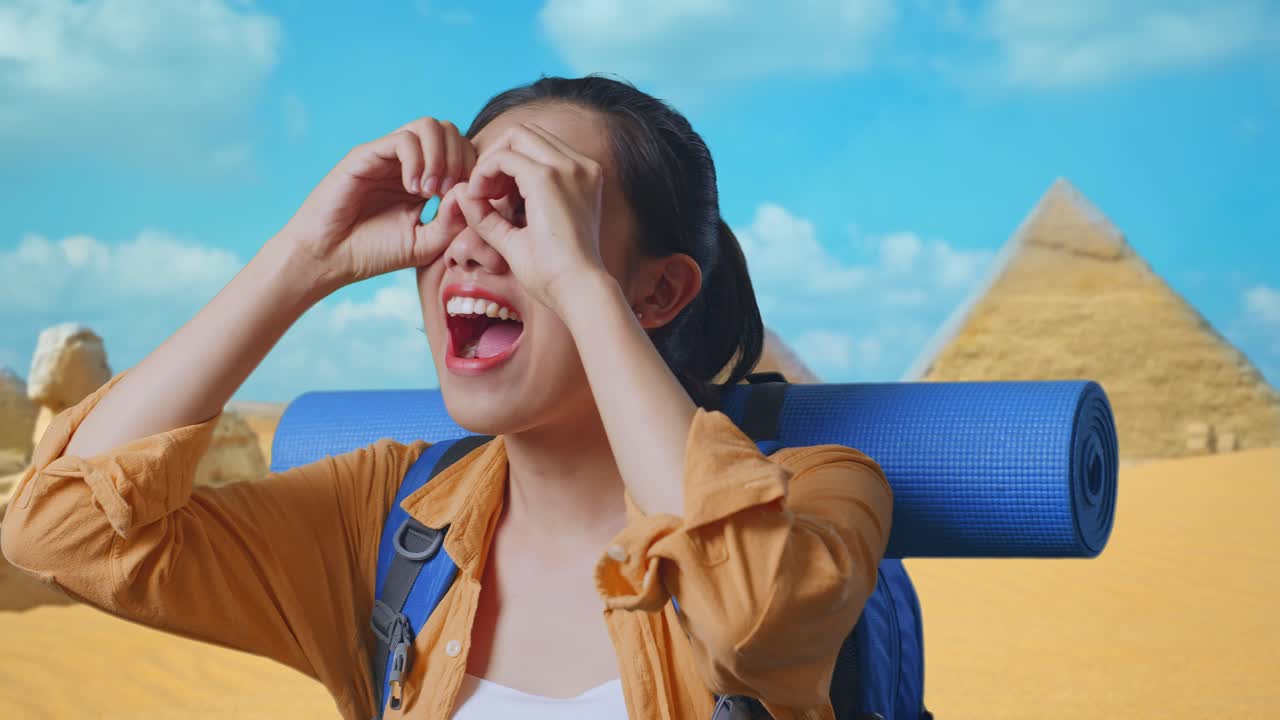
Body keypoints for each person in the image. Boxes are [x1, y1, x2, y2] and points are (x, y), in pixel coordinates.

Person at [1, 75, 893, 720]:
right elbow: (59, 532)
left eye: (528, 211)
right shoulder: (385, 520)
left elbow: (753, 621)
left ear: (658, 293)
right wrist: (301, 260)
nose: (470, 245)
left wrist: (582, 288)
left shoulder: (824, 493)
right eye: (460, 209)